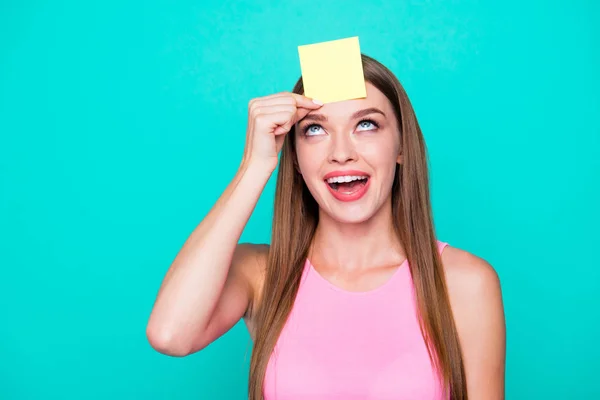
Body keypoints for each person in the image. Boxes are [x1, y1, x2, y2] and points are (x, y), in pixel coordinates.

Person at [146, 54, 506, 400]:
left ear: (401, 147)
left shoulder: (464, 282)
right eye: (315, 129)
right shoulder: (263, 275)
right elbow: (170, 334)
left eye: (366, 124)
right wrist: (254, 165)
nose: (341, 152)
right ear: (297, 158)